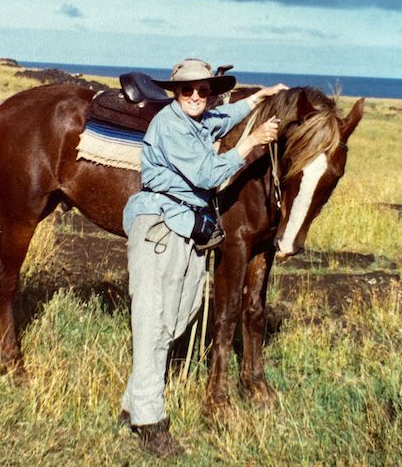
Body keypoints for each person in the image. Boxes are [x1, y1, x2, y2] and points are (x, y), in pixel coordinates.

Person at [120, 58, 287, 457]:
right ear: (174, 93)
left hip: (185, 229)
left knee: (179, 314)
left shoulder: (198, 119)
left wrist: (256, 100)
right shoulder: (171, 124)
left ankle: (131, 404)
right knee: (153, 321)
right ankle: (149, 421)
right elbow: (209, 174)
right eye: (187, 90)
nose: (196, 96)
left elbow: (220, 118)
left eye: (203, 90)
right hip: (159, 226)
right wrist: (251, 143)